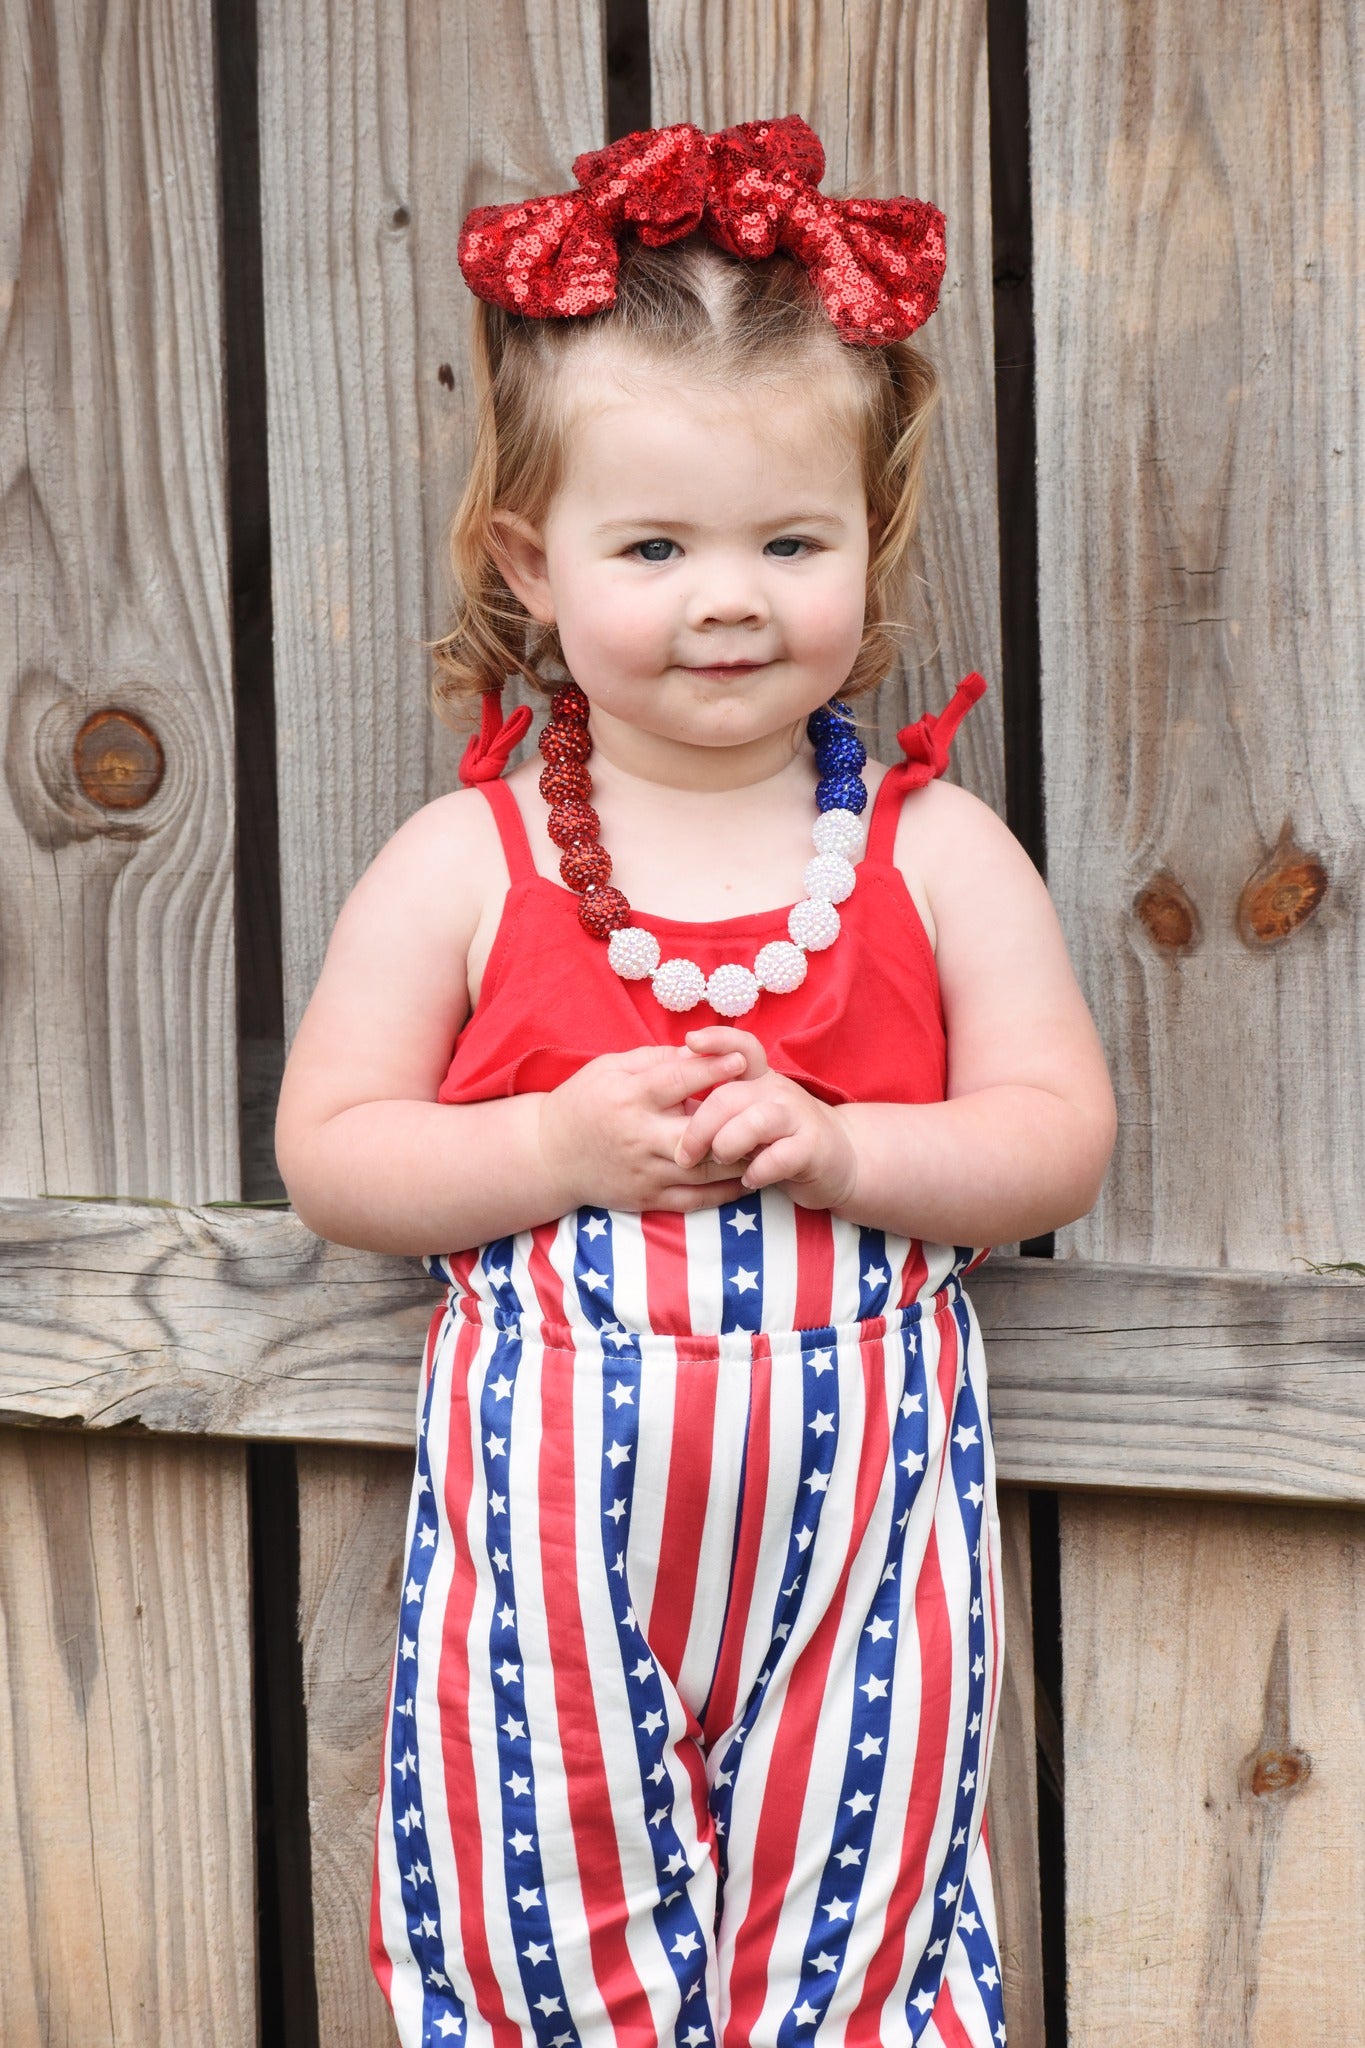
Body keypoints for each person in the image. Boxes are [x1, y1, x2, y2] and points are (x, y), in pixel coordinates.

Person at [275, 115, 1115, 2048]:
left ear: (865, 547)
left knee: (863, 1903)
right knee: (530, 1897)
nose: (724, 599)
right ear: (529, 558)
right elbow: (333, 1151)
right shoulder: (468, 863)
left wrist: (844, 1145)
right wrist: (551, 1141)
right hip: (550, 1550)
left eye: (786, 543)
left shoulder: (931, 853)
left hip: (862, 1538)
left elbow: (1054, 1133)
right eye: (652, 547)